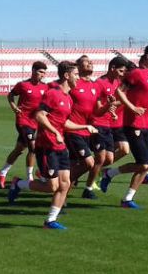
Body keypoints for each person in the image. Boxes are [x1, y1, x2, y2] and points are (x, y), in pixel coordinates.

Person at [7, 61, 98, 229]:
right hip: (46, 146)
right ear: (66, 75)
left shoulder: (69, 98)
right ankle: (18, 183)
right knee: (52, 186)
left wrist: (84, 126)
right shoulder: (53, 94)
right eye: (76, 74)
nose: (78, 78)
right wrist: (54, 132)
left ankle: (50, 221)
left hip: (60, 146)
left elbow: (64, 123)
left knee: (65, 184)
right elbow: (39, 116)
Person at [99, 45, 148, 209]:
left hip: (147, 124)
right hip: (133, 124)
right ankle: (109, 173)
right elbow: (119, 91)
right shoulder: (136, 73)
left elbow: (146, 101)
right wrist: (132, 108)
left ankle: (127, 199)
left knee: (147, 165)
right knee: (144, 164)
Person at [0, 61, 48, 188]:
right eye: (41, 72)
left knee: (19, 149)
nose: (43, 75)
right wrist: (13, 106)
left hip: (36, 122)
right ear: (34, 70)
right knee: (33, 147)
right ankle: (30, 177)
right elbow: (11, 94)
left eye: (44, 73)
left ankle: (2, 172)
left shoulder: (45, 87)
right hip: (23, 120)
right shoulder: (23, 85)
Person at [85, 56, 129, 196]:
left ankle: (80, 169)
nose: (123, 74)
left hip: (108, 124)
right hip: (97, 124)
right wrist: (110, 106)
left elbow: (109, 103)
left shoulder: (116, 82)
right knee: (101, 158)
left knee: (109, 159)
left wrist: (112, 112)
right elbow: (96, 105)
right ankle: (88, 188)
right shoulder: (100, 83)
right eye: (121, 71)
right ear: (112, 68)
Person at [65, 55, 100, 199]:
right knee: (89, 162)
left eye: (91, 61)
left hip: (87, 131)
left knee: (74, 165)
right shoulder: (73, 84)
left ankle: (62, 199)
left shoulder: (94, 85)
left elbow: (97, 110)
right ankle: (60, 183)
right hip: (73, 130)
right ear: (78, 67)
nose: (90, 63)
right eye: (86, 61)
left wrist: (110, 107)